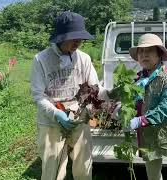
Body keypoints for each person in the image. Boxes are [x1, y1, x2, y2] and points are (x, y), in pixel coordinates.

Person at [30, 11, 109, 180]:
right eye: (74, 38)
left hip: (79, 119)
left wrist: (110, 94)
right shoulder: (41, 60)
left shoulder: (84, 59)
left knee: (83, 166)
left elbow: (94, 89)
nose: (79, 42)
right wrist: (56, 114)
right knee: (52, 169)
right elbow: (38, 95)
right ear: (60, 37)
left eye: (80, 38)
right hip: (51, 121)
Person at [125, 33, 167, 180]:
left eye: (149, 50)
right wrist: (121, 111)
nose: (144, 55)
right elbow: (131, 104)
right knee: (153, 176)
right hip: (149, 134)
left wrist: (140, 121)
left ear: (159, 54)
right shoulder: (138, 80)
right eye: (141, 51)